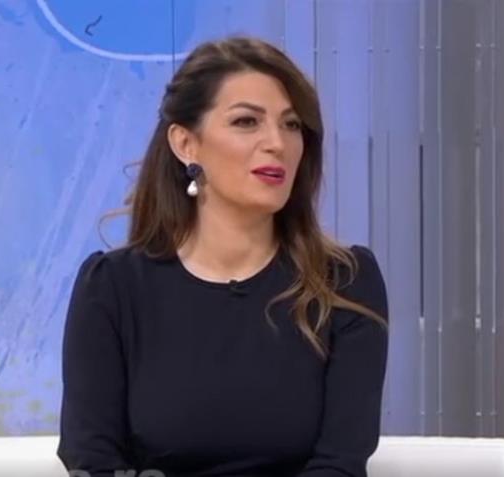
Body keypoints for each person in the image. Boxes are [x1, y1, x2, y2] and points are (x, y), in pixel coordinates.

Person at [57, 35, 389, 477]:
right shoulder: (112, 288)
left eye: (291, 125)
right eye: (247, 122)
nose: (277, 143)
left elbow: (340, 466)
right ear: (186, 144)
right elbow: (92, 460)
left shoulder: (344, 283)